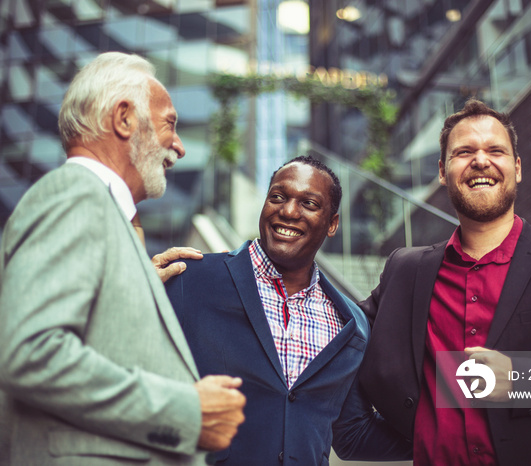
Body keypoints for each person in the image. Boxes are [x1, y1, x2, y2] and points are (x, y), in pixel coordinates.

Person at [0, 52, 245, 466]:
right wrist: (186, 411)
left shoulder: (93, 208)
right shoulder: (75, 194)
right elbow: (29, 352)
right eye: (170, 124)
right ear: (124, 119)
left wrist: (134, 282)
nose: (178, 146)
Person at [357, 98, 531, 465]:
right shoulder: (405, 269)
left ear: (517, 168)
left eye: (495, 150)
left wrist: (523, 380)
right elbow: (343, 334)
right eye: (463, 151)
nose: (480, 160)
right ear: (442, 171)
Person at [159, 155, 412, 465]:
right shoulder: (189, 279)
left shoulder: (352, 323)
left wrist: (450, 434)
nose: (289, 211)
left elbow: (351, 434)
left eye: (309, 204)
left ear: (332, 223)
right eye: (277, 197)